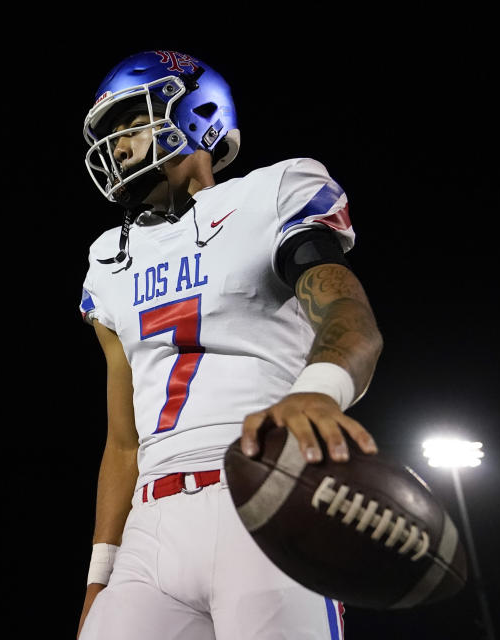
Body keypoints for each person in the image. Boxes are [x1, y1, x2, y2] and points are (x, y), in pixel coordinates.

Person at [76, 50, 383, 640]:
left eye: (128, 121)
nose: (115, 144)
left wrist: (318, 394)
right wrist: (100, 574)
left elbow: (351, 318)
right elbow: (122, 443)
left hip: (265, 488)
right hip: (150, 523)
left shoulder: (272, 194)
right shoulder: (106, 263)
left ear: (196, 112)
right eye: (108, 132)